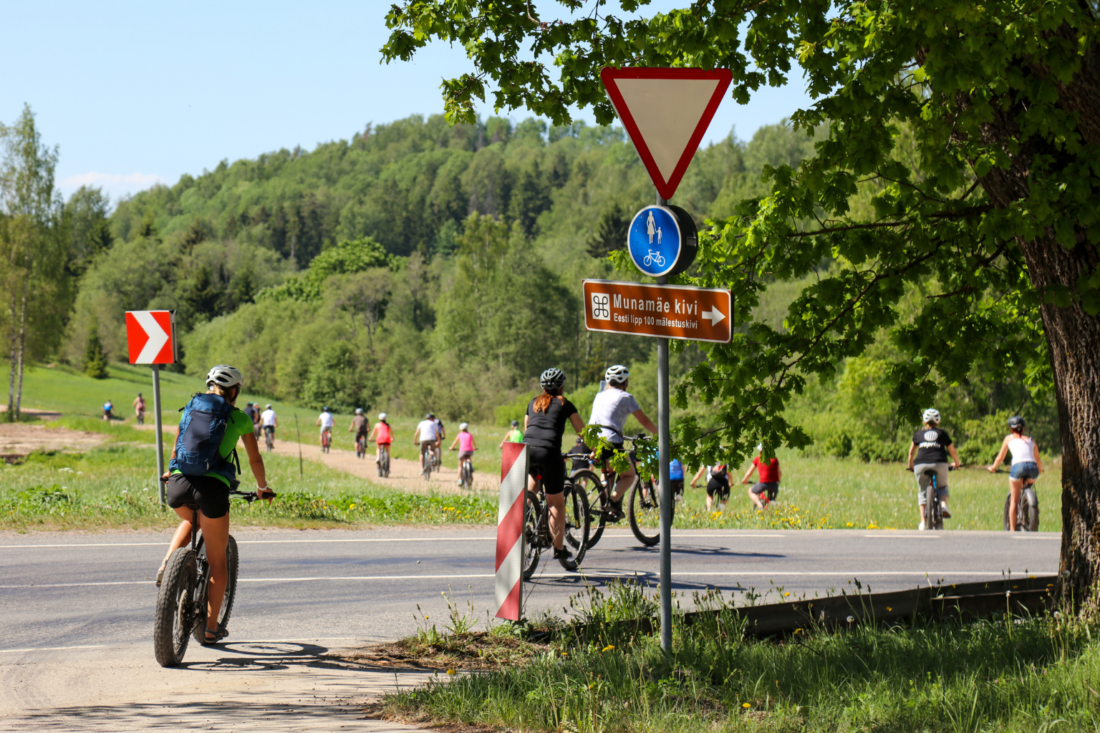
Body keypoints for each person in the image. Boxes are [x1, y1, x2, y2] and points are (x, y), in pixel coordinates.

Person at [157, 365, 274, 644]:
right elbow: (255, 459)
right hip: (212, 491)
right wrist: (261, 487)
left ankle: (166, 564)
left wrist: (170, 471)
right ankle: (210, 629)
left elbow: (177, 446)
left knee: (189, 519)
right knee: (218, 563)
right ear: (234, 391)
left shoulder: (190, 408)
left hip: (177, 486)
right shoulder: (240, 418)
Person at [525, 367, 586, 571]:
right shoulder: (564, 403)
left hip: (526, 452)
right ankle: (559, 548)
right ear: (562, 386)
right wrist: (595, 450)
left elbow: (528, 430)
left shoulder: (532, 402)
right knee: (555, 503)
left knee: (531, 488)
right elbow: (582, 431)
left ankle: (524, 514)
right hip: (549, 453)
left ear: (542, 387)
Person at [587, 365, 657, 520]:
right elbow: (643, 420)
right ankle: (611, 502)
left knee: (608, 471)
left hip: (592, 439)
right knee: (630, 475)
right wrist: (659, 433)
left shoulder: (599, 396)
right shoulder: (626, 397)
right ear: (624, 382)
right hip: (611, 441)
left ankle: (605, 504)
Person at [906, 408, 962, 530]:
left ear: (924, 421)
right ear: (938, 421)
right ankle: (943, 505)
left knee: (922, 491)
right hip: (939, 462)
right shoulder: (942, 434)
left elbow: (911, 453)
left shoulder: (918, 434)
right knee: (942, 487)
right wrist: (957, 463)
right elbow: (952, 451)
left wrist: (910, 466)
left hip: (921, 464)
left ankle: (922, 523)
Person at [988, 415, 1043, 531]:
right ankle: (1031, 510)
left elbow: (1000, 457)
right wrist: (1040, 469)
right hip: (1033, 469)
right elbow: (1037, 459)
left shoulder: (1009, 439)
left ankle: (1012, 530)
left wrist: (993, 468)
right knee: (1028, 483)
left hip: (1018, 467)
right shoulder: (1031, 439)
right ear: (1023, 429)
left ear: (1010, 429)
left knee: (1014, 499)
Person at [742, 444, 781, 510]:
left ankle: (760, 506)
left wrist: (744, 480)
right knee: (772, 500)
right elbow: (779, 472)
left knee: (751, 491)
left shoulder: (758, 459)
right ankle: (773, 507)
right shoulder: (775, 459)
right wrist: (778, 481)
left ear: (760, 451)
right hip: (774, 484)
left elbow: (749, 473)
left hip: (764, 483)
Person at [449, 422, 477, 487]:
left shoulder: (459, 435)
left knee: (460, 465)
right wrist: (475, 447)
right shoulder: (470, 435)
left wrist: (451, 448)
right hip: (470, 450)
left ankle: (460, 480)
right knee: (468, 458)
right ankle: (470, 466)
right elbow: (474, 443)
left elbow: (455, 443)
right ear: (467, 428)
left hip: (462, 451)